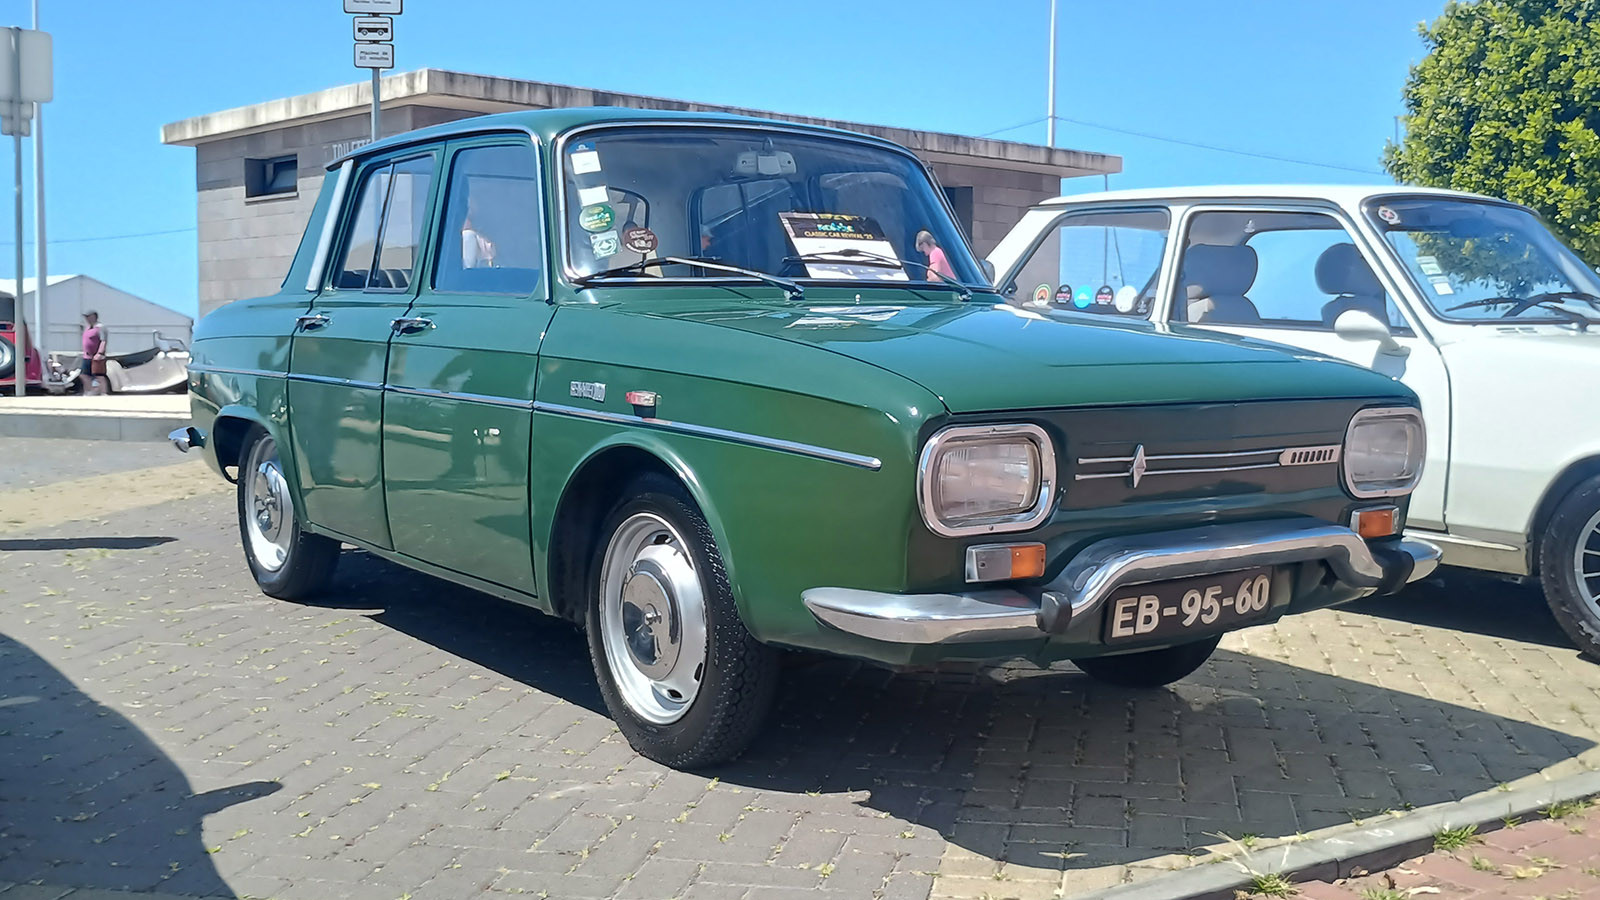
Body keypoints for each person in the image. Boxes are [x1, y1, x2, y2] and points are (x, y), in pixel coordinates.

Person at [80, 310, 108, 396]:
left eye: (88, 317)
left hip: (96, 356)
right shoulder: (87, 328)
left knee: (99, 375)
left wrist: (100, 353)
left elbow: (103, 340)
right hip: (87, 356)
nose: (86, 319)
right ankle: (90, 391)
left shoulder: (100, 327)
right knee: (84, 375)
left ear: (94, 317)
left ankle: (103, 392)